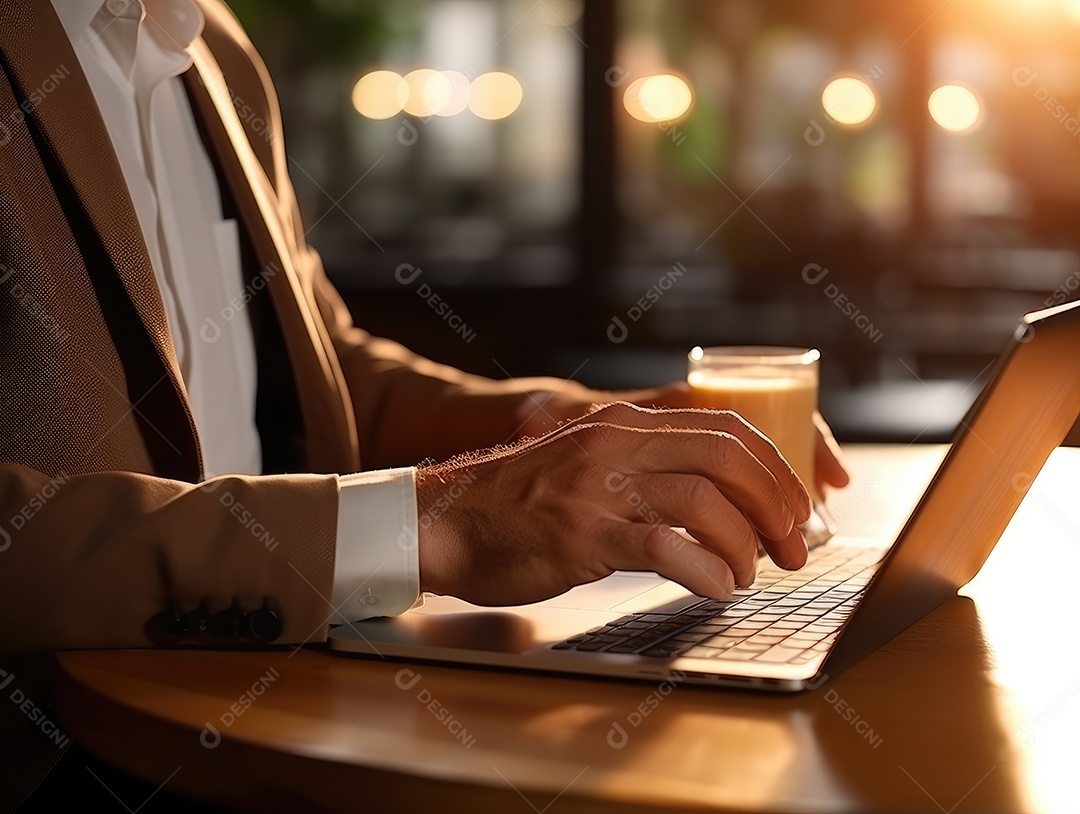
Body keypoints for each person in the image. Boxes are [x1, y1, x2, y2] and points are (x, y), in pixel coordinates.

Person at [0, 0, 848, 807]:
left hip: (292, 711)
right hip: (58, 760)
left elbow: (316, 370)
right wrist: (436, 524)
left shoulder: (211, 46)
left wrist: (569, 429)